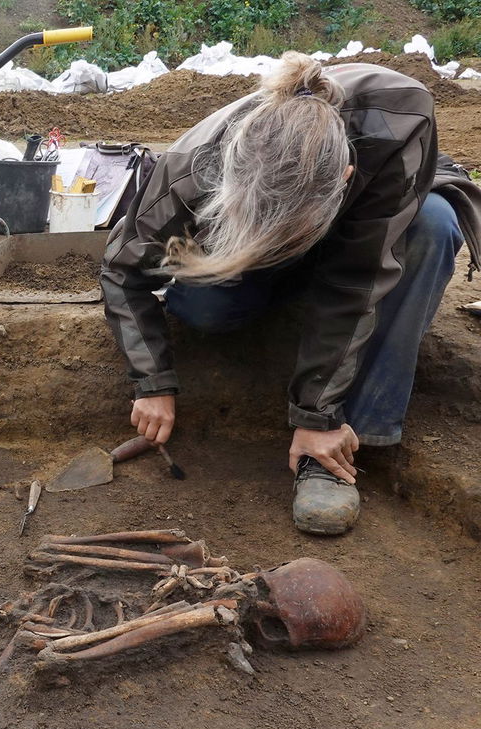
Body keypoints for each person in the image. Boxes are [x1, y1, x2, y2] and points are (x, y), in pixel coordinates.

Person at [101, 52, 481, 536]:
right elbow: (120, 269)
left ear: (345, 180)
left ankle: (342, 446)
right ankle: (270, 282)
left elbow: (357, 278)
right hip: (256, 238)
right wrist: (153, 382)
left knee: (433, 226)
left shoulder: (399, 117)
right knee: (209, 308)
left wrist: (316, 417)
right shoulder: (191, 169)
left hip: (371, 223)